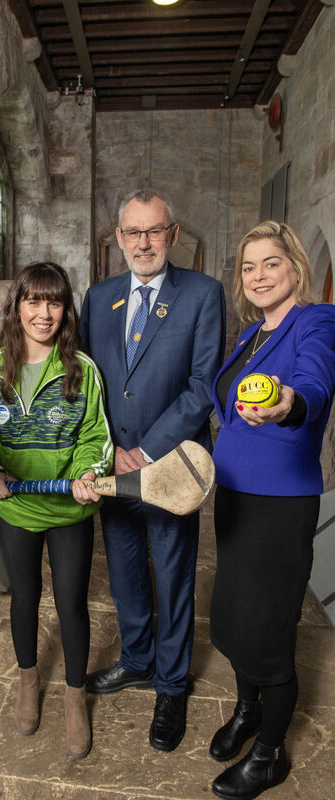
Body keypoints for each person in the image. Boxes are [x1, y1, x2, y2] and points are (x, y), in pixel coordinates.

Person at [81, 187, 225, 752]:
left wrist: (145, 451)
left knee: (173, 574)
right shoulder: (99, 297)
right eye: (133, 232)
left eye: (155, 230)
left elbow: (202, 386)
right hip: (112, 465)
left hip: (169, 467)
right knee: (124, 573)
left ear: (173, 234)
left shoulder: (203, 294)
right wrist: (106, 448)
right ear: (119, 238)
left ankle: (171, 684)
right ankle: (138, 659)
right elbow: (87, 380)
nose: (144, 242)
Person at [209, 221, 335, 799]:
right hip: (234, 494)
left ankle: (269, 755)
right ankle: (247, 709)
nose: (258, 276)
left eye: (271, 263)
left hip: (281, 503)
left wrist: (289, 402)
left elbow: (314, 382)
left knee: (269, 630)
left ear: (296, 268)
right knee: (235, 618)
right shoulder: (252, 334)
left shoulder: (317, 321)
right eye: (248, 267)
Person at [0, 262, 112, 759]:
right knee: (25, 599)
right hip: (16, 510)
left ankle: (75, 697)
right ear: (17, 307)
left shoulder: (83, 369)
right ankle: (28, 681)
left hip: (68, 511)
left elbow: (95, 435)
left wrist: (85, 474)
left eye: (54, 302)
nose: (43, 312)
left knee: (71, 603)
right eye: (33, 300)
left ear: (65, 310)